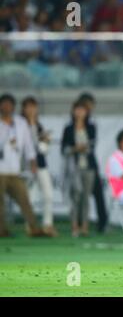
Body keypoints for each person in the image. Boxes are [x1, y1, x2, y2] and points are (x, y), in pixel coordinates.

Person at [0, 94, 48, 237]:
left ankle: (34, 228)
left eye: (9, 104)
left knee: (24, 199)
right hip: (0, 170)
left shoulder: (20, 123)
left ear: (14, 107)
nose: (7, 107)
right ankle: (2, 230)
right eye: (4, 104)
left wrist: (32, 162)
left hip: (14, 170)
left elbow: (28, 145)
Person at [21, 96, 58, 237]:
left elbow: (43, 149)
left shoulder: (39, 126)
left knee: (48, 195)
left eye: (33, 107)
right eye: (28, 107)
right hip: (26, 166)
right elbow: (25, 145)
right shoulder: (19, 124)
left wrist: (45, 141)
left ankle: (47, 225)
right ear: (23, 109)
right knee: (30, 197)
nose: (31, 110)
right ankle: (30, 226)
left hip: (41, 164)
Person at [61, 100, 96, 237]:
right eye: (77, 109)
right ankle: (74, 226)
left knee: (86, 197)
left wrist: (84, 148)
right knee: (75, 196)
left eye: (83, 110)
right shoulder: (68, 129)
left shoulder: (91, 127)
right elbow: (64, 149)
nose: (80, 112)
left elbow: (92, 145)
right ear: (73, 111)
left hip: (88, 166)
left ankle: (85, 227)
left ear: (87, 112)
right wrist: (76, 148)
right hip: (74, 167)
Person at [77, 92, 109, 233]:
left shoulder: (91, 125)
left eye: (91, 106)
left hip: (90, 163)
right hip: (76, 165)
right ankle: (79, 223)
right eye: (87, 106)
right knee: (79, 195)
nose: (89, 109)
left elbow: (91, 143)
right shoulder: (72, 125)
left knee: (98, 193)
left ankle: (102, 223)